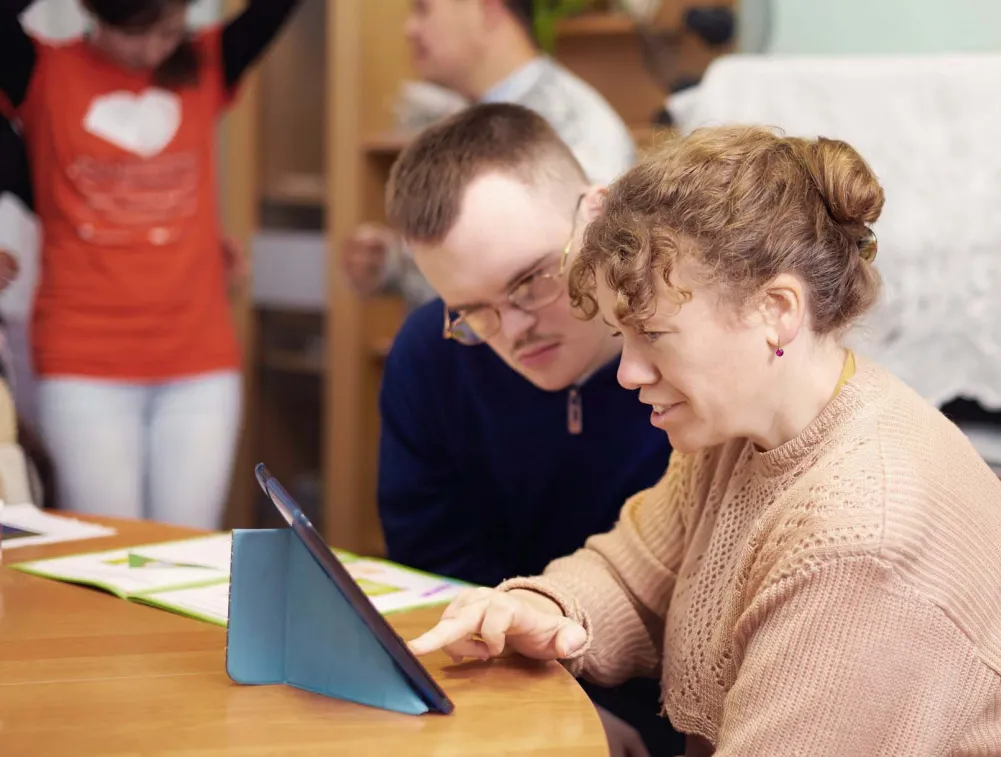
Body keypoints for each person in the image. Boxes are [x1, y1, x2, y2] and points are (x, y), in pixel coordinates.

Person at [404, 125, 1001, 755]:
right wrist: (537, 606)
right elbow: (630, 575)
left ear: (777, 310)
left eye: (653, 334)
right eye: (621, 335)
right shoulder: (736, 435)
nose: (628, 371)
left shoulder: (865, 535)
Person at [381, 103, 680, 757]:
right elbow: (437, 576)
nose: (513, 331)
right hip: (502, 693)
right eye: (472, 311)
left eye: (531, 281)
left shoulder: (695, 355)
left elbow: (702, 602)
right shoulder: (430, 355)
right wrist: (555, 706)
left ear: (598, 214)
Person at [0, 0, 304, 528]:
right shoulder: (43, 70)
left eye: (168, 30)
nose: (153, 50)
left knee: (188, 549)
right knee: (105, 554)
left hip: (198, 365)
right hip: (83, 364)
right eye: (135, 33)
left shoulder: (206, 62)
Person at [342, 0, 637, 309]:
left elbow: (573, 276)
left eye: (423, 9)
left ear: (488, 8)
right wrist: (397, 263)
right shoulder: (468, 119)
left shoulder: (572, 124)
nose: (410, 30)